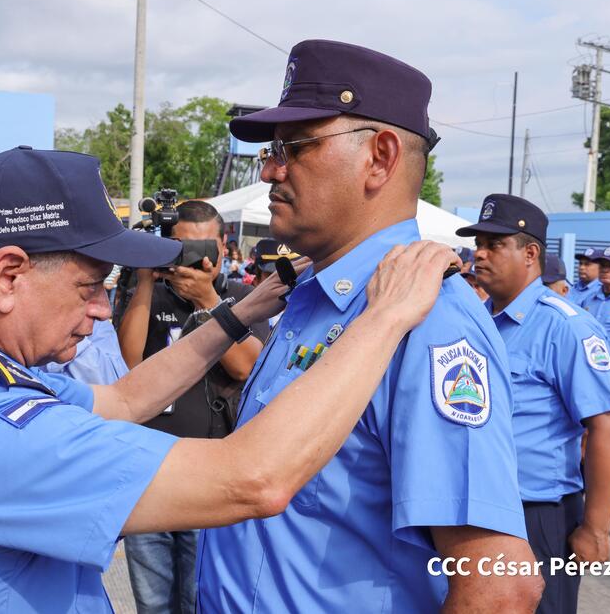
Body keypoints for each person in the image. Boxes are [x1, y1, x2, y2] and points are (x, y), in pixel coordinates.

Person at [0, 146, 456, 614]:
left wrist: (237, 313)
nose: (104, 311)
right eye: (90, 288)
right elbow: (252, 480)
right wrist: (386, 316)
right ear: (7, 276)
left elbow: (123, 399)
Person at [196, 40, 542, 613]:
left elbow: (500, 584)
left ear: (379, 158)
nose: (269, 170)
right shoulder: (312, 296)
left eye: (293, 147)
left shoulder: (428, 319)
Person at [457, 194, 610, 614]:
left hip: (539, 515)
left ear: (530, 253)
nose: (479, 252)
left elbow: (606, 426)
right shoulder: (476, 322)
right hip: (475, 510)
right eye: (479, 242)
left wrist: (596, 527)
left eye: (494, 244)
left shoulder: (565, 327)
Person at [116, 200, 269, 614]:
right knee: (151, 601)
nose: (192, 259)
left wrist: (207, 300)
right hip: (149, 469)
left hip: (211, 473)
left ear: (224, 245)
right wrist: (146, 281)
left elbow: (245, 369)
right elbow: (128, 363)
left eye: (202, 248)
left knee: (199, 597)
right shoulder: (147, 295)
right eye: (180, 247)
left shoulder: (244, 298)